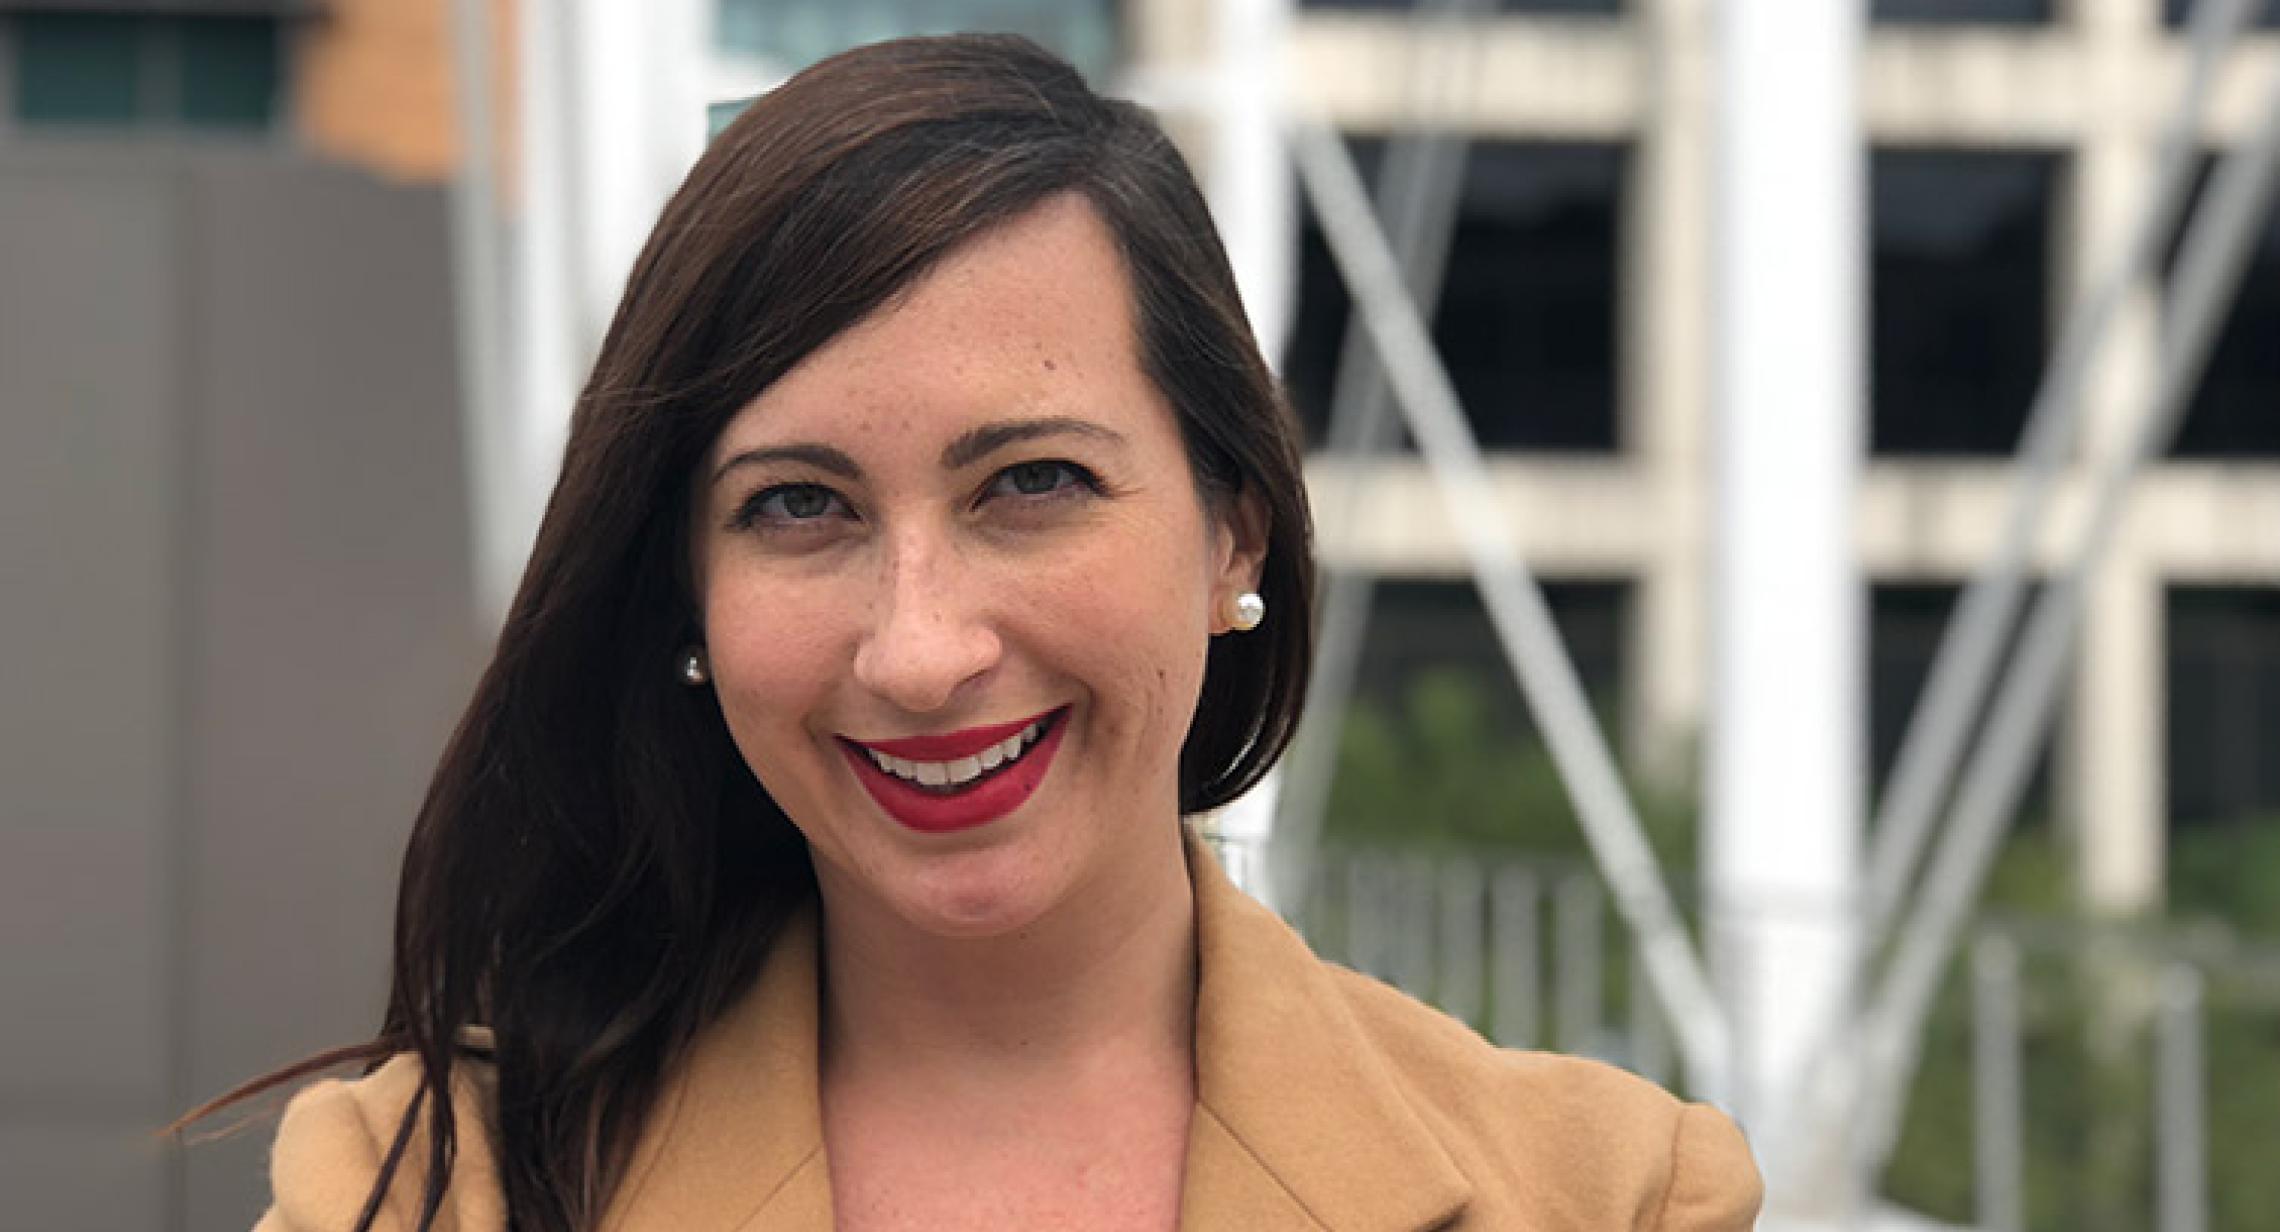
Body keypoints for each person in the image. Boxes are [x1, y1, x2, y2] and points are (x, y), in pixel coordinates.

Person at [227, 32, 1761, 1232]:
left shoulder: (1604, 1196)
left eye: (1031, 482)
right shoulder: (426, 1190)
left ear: (1234, 525)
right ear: (681, 589)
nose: (919, 650)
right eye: (796, 507)